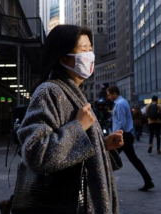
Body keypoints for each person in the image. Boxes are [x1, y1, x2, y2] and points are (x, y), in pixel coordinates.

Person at [10, 25, 124, 214]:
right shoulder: (49, 91)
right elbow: (35, 153)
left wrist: (102, 146)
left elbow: (75, 157)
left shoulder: (74, 92)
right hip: (67, 205)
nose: (89, 55)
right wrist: (78, 127)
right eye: (83, 50)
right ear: (63, 58)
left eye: (90, 49)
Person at [106, 86, 154, 192]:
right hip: (126, 135)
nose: (108, 97)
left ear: (114, 94)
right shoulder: (123, 102)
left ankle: (104, 184)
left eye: (109, 95)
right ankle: (148, 180)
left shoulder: (119, 104)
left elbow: (121, 123)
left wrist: (114, 136)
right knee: (133, 159)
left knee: (108, 158)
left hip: (122, 135)